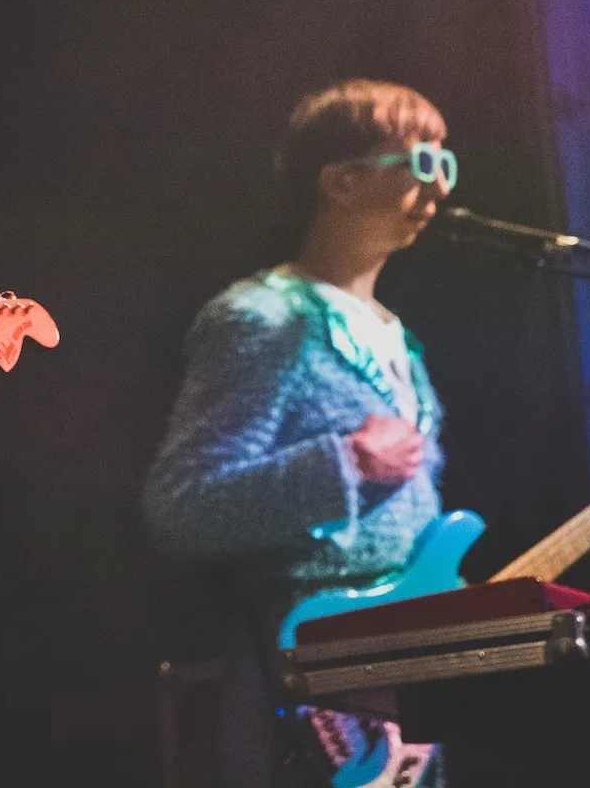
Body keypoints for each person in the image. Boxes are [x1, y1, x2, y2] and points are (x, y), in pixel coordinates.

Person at [142, 80, 457, 787]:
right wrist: (342, 463)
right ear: (340, 183)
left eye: (449, 166)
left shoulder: (399, 341)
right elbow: (182, 506)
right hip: (309, 684)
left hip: (403, 688)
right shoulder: (262, 317)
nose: (439, 191)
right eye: (422, 165)